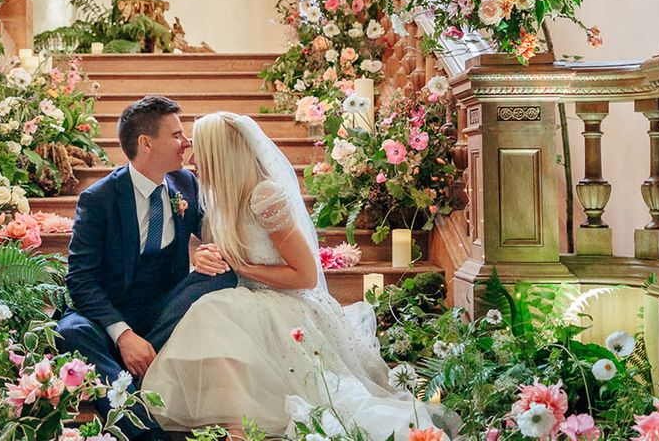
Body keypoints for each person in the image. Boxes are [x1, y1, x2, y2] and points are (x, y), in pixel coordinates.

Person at [141, 111, 453, 441]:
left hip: (285, 301)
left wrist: (243, 268)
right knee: (214, 313)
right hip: (245, 298)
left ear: (221, 153)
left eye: (200, 150)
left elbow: (305, 276)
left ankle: (238, 430)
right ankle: (236, 426)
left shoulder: (263, 195)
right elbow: (204, 242)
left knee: (213, 311)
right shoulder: (217, 195)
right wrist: (200, 253)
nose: (192, 159)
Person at [56, 95, 237, 438]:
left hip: (163, 312)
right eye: (177, 135)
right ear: (146, 143)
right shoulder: (99, 199)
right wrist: (124, 336)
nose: (187, 143)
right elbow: (80, 280)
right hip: (110, 318)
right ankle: (145, 432)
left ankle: (136, 357)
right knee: (69, 331)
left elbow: (218, 234)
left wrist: (207, 252)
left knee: (222, 275)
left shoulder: (185, 184)